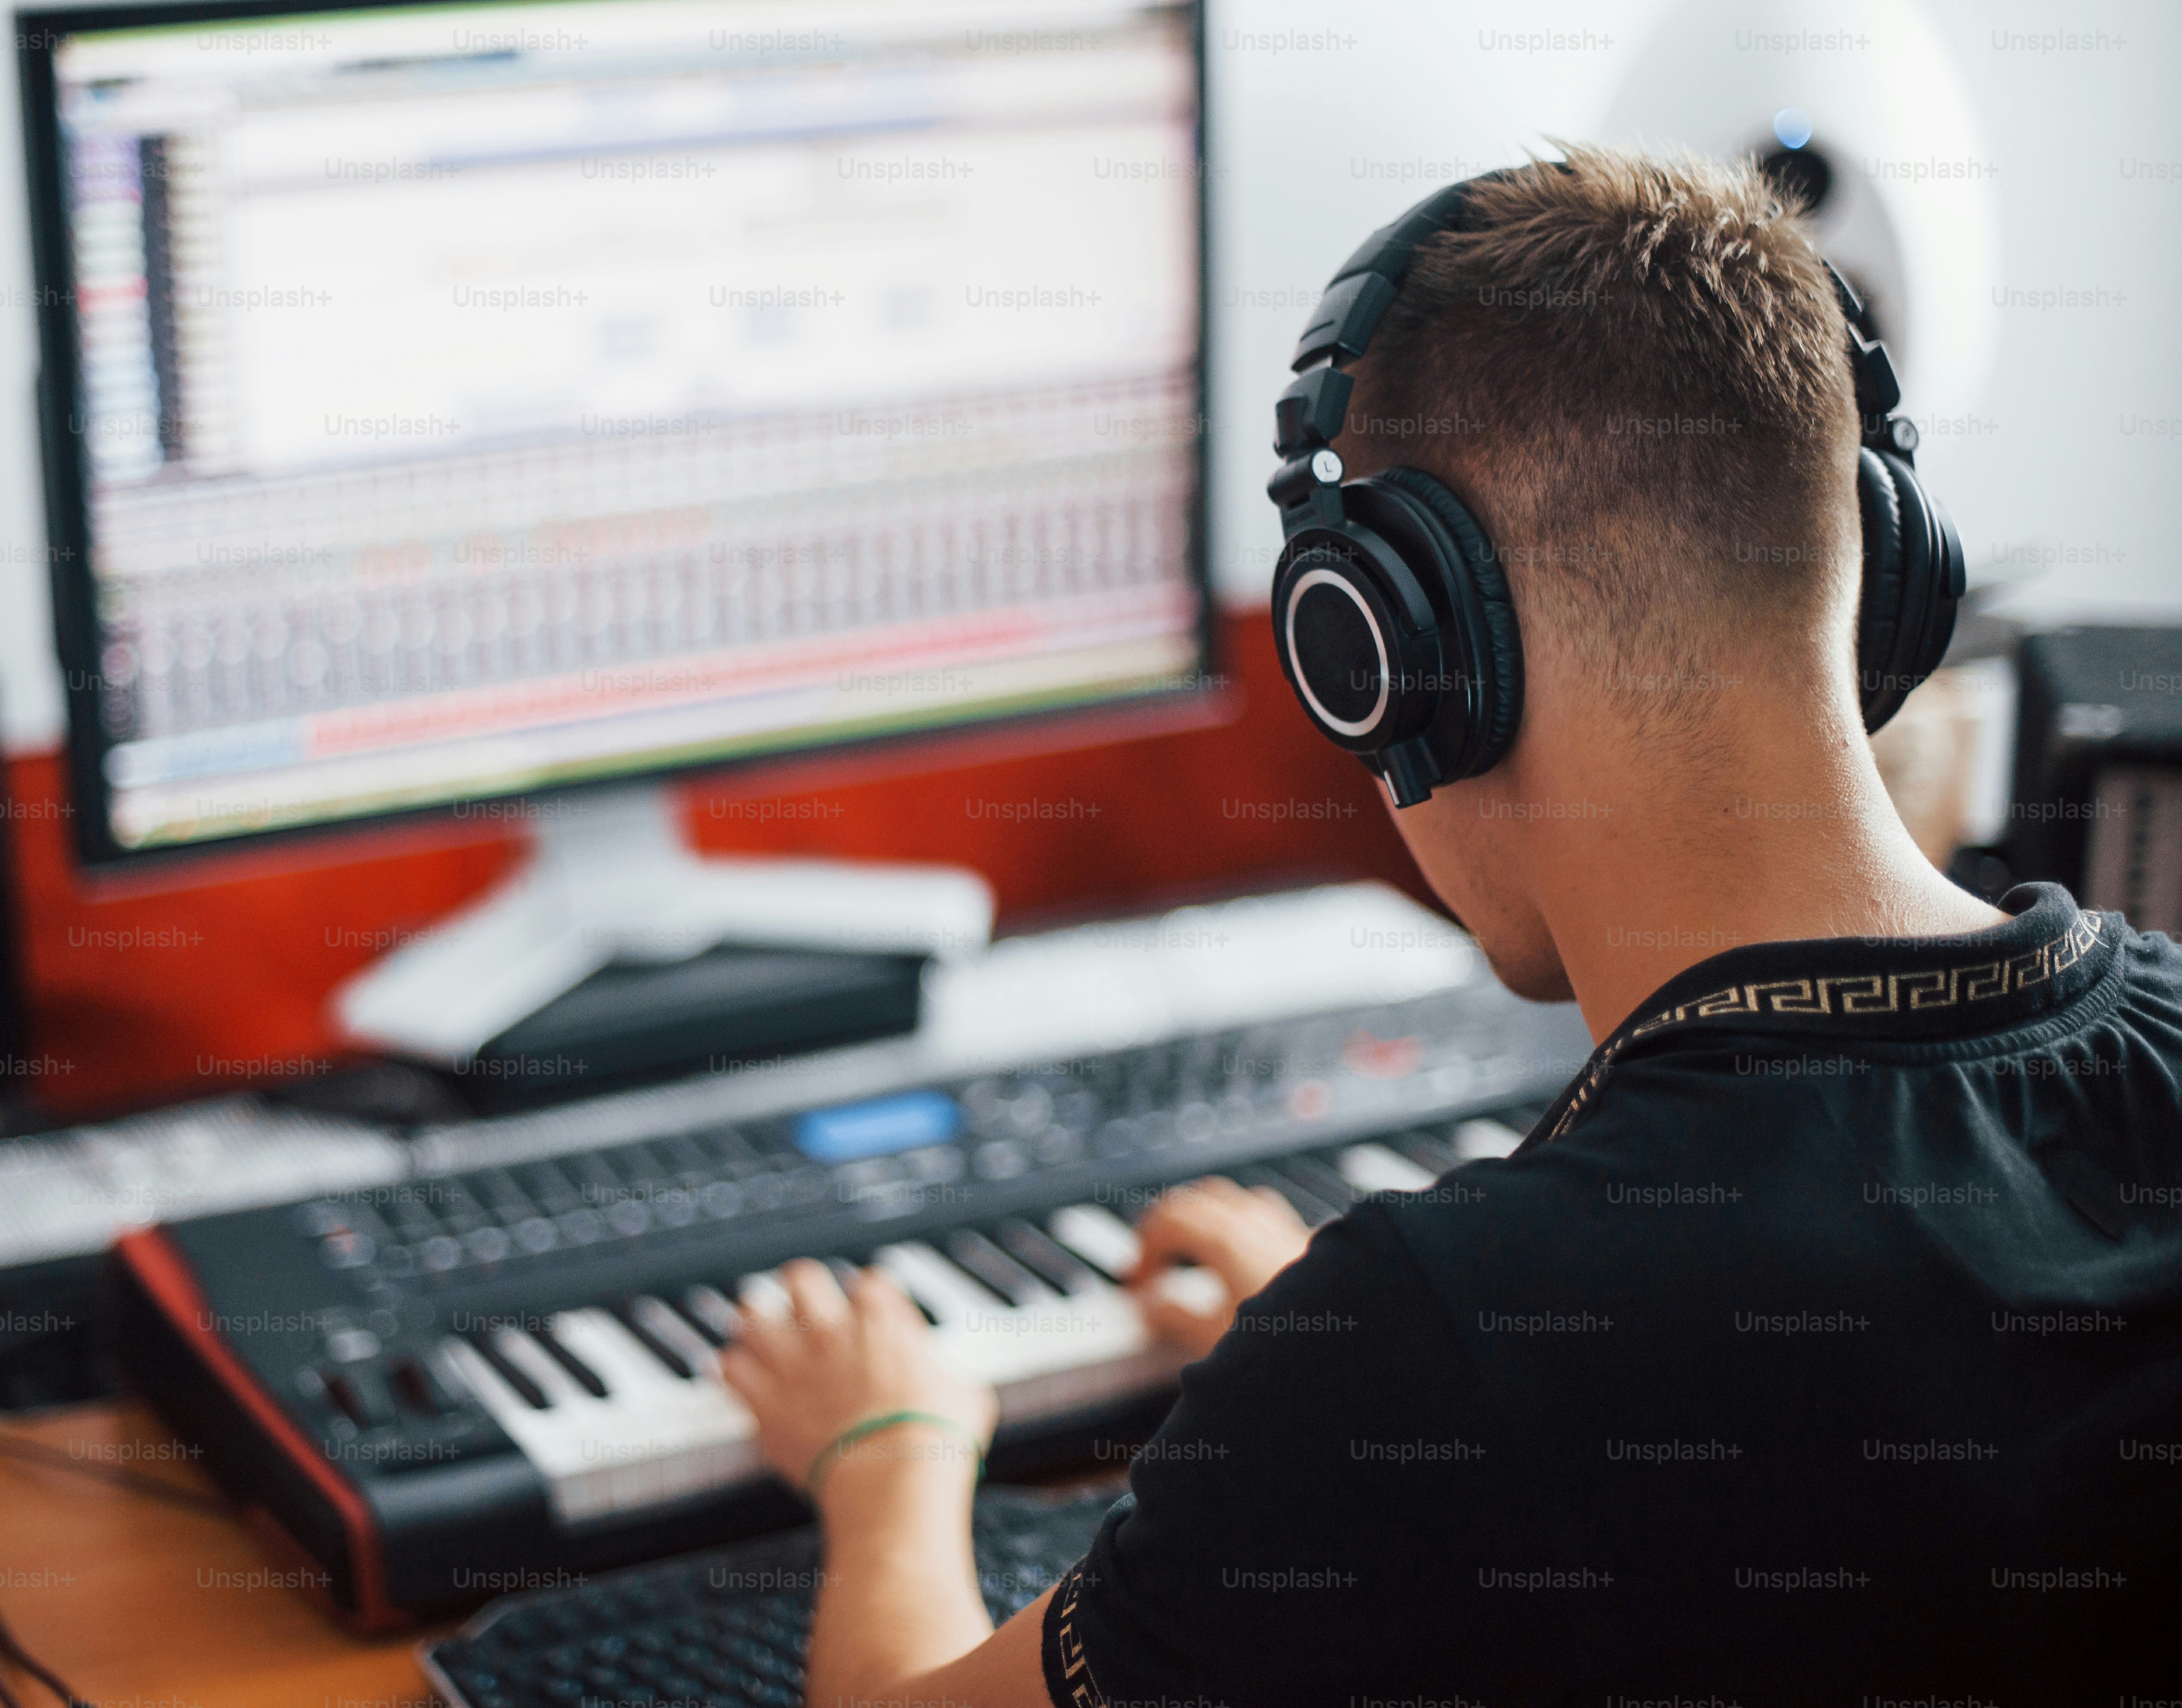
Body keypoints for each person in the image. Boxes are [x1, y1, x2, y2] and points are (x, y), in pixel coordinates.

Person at [717, 143, 2182, 1703]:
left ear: (1396, 653)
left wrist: (891, 1456)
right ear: (1877, 576)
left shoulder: (1445, 1338)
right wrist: (1349, 1376)